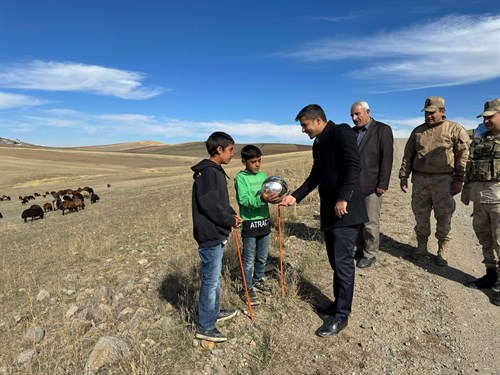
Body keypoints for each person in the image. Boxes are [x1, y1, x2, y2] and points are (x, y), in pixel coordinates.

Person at [280, 104, 368, 337]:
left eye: (305, 125)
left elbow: (353, 166)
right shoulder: (319, 142)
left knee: (343, 264)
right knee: (335, 261)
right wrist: (294, 197)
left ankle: (341, 315)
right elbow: (315, 176)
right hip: (330, 212)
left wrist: (343, 197)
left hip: (345, 211)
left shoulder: (341, 132)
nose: (303, 130)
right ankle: (337, 303)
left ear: (318, 120)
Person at [399, 96, 469, 266]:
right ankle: (421, 247)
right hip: (420, 180)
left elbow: (463, 157)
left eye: (432, 112)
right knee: (420, 215)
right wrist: (403, 175)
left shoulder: (455, 129)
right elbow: (408, 155)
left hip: (443, 181)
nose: (428, 116)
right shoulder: (417, 131)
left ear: (442, 111)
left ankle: (442, 249)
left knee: (443, 216)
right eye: (426, 113)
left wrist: (459, 180)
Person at [191, 131, 243, 342]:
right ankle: (205, 325)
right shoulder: (209, 174)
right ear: (219, 150)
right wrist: (229, 220)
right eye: (230, 150)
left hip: (215, 233)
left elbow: (219, 203)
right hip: (210, 235)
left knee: (214, 279)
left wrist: (231, 213)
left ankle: (212, 313)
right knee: (210, 281)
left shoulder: (214, 171)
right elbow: (211, 206)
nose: (233, 154)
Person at [461, 99, 500, 306]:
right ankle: (491, 274)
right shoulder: (480, 139)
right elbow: (471, 166)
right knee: (484, 237)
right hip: (480, 197)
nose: (486, 120)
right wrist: (467, 189)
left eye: (490, 117)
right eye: (484, 117)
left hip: (498, 199)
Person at [234, 145, 281, 306]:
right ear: (244, 161)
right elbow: (244, 200)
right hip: (249, 223)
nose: (257, 164)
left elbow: (271, 192)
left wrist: (278, 198)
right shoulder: (240, 178)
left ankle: (258, 279)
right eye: (253, 161)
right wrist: (262, 199)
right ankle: (247, 287)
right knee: (248, 259)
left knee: (262, 256)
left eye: (259, 161)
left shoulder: (263, 176)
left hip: (264, 221)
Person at [350, 101, 394, 268]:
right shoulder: (352, 132)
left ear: (367, 112)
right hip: (354, 186)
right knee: (356, 220)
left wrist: (383, 183)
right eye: (352, 115)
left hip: (373, 185)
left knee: (370, 222)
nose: (354, 118)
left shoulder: (382, 130)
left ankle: (370, 253)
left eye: (357, 114)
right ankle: (357, 248)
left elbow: (387, 159)